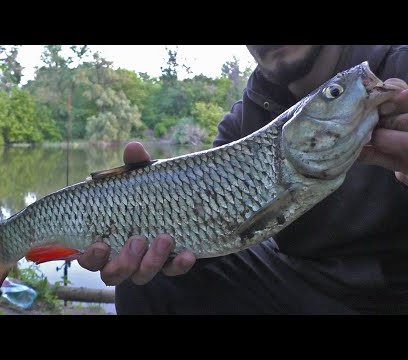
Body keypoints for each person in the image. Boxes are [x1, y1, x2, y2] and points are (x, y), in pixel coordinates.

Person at [78, 45, 408, 314]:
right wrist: (150, 219)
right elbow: (217, 234)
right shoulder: (243, 120)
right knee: (150, 280)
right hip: (297, 282)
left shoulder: (398, 67)